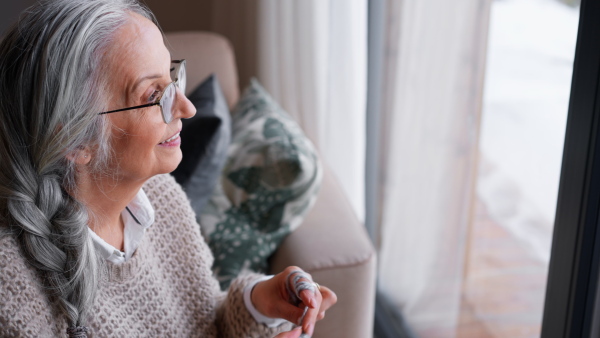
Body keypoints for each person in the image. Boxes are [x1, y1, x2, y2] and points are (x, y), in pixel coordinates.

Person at [0, 0, 336, 337]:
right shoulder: (11, 288)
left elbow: (202, 321)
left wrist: (256, 304)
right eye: (153, 94)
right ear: (73, 141)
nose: (187, 108)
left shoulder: (161, 196)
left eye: (173, 77)